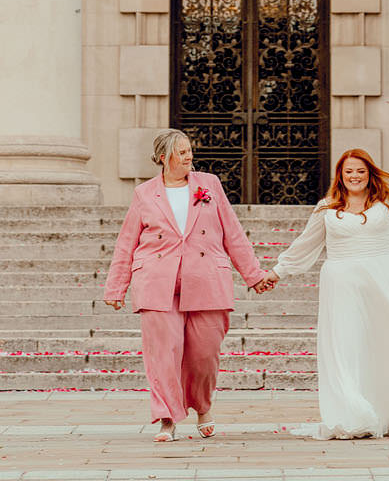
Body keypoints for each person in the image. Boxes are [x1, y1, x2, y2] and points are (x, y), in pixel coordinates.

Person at [260, 143, 389, 438]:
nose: (354, 176)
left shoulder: (388, 200)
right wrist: (277, 272)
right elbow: (306, 244)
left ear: (370, 174)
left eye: (360, 171)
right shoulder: (327, 208)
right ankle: (354, 413)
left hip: (385, 282)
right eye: (349, 172)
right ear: (340, 175)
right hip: (342, 286)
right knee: (347, 347)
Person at [103, 128, 273, 442]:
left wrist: (254, 274)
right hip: (157, 280)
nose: (188, 156)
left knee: (205, 353)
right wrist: (116, 287)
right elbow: (126, 243)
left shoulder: (209, 185)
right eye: (181, 152)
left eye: (189, 150)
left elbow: (232, 233)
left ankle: (203, 406)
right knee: (164, 354)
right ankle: (167, 417)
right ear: (163, 158)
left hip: (206, 278)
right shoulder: (144, 194)